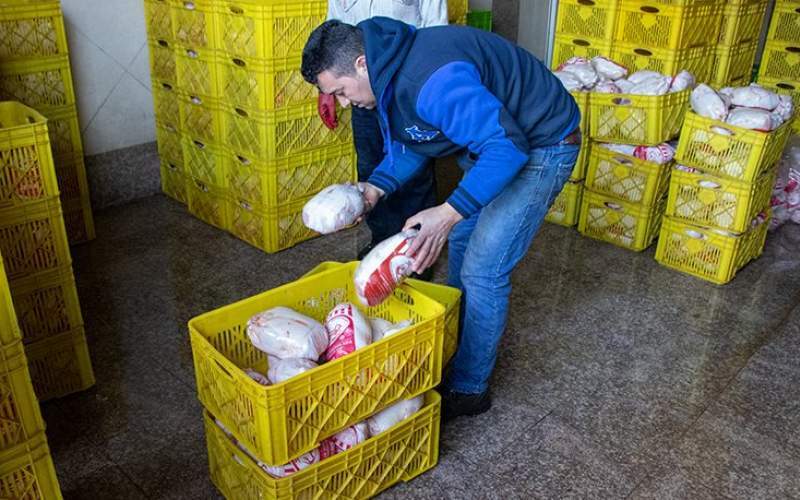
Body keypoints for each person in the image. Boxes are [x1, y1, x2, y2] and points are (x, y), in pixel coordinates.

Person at [301, 19, 580, 420]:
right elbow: (415, 138)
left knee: (483, 270)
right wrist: (375, 188)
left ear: (361, 64)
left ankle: (469, 388)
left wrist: (446, 214)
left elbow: (508, 148)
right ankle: (456, 340)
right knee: (464, 240)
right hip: (494, 144)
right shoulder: (386, 74)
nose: (343, 104)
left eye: (341, 92)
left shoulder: (431, 80)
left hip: (542, 143)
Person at [319, 0, 448, 262]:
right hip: (360, 89)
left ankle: (415, 245)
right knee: (370, 166)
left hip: (405, 89)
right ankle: (382, 239)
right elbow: (332, 35)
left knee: (415, 166)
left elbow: (437, 31)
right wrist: (327, 90)